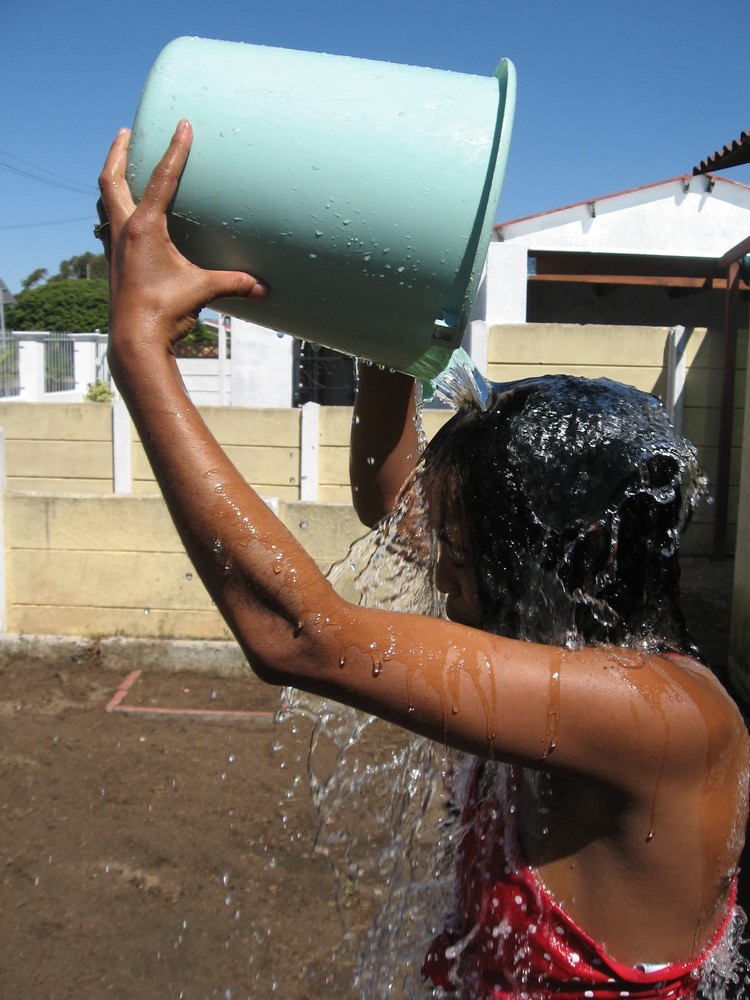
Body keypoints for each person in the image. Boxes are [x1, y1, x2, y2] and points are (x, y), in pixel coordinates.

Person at [98, 120, 748, 999]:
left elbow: (299, 635)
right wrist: (383, 304)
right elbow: (388, 495)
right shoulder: (560, 634)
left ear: (566, 556)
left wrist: (141, 349)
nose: (435, 571)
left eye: (459, 553)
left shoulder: (664, 719)